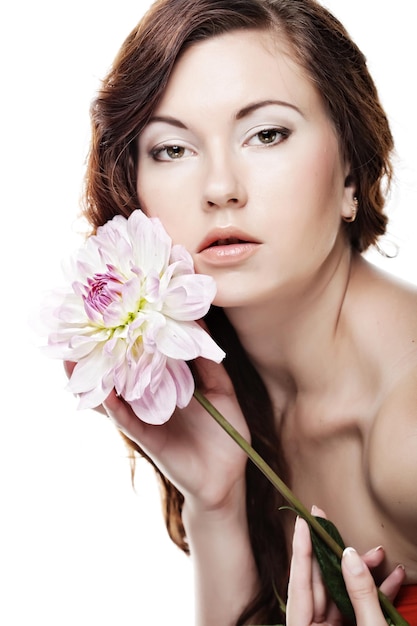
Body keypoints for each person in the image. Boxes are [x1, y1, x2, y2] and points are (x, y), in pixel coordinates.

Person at [73, 0, 417, 623]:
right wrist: (216, 504)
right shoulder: (233, 406)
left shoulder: (408, 428)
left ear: (351, 171)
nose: (220, 186)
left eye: (267, 134)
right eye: (172, 149)